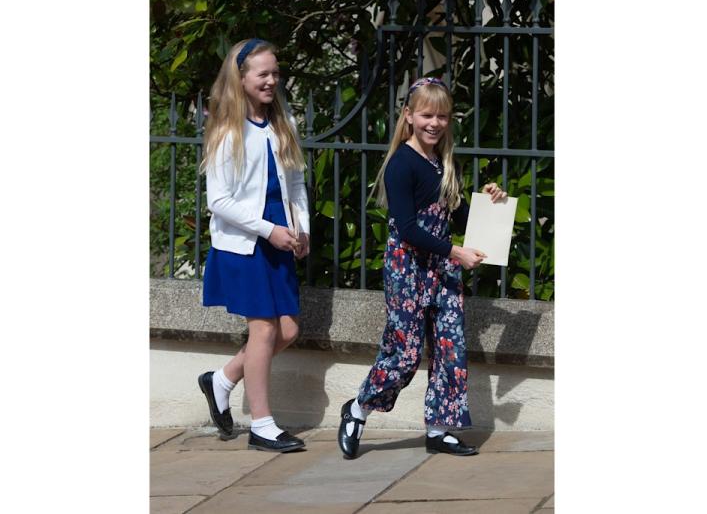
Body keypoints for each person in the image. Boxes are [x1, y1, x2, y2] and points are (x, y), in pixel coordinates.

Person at [337, 77, 507, 459]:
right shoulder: (402, 164)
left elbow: (459, 214)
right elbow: (408, 228)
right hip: (409, 268)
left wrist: (491, 200)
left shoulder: (442, 163)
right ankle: (358, 409)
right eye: (427, 114)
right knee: (406, 351)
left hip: (444, 269)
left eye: (442, 116)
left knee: (450, 347)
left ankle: (439, 428)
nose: (434, 122)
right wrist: (455, 253)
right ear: (409, 116)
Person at [196, 38, 310, 453]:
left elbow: (295, 183)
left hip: (280, 239)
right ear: (240, 78)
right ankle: (262, 425)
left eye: (275, 73)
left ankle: (222, 379)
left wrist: (302, 228)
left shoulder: (284, 125)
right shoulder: (228, 131)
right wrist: (268, 230)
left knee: (290, 329)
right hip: (245, 244)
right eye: (262, 73)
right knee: (262, 330)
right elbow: (219, 201)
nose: (271, 80)